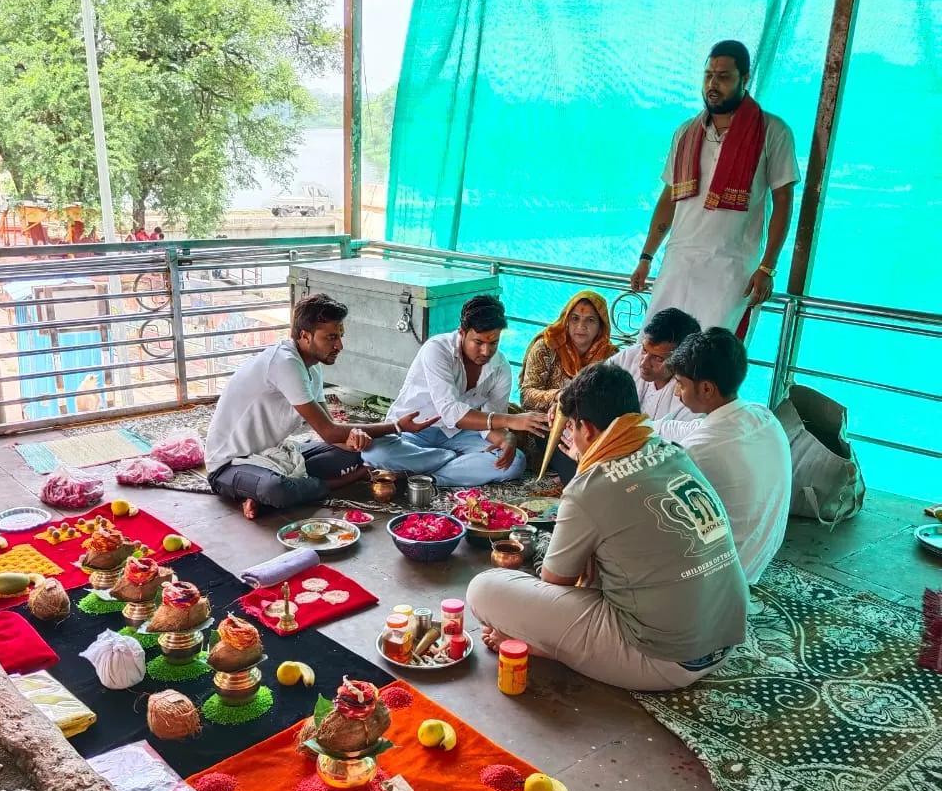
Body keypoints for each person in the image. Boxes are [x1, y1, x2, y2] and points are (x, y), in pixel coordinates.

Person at [467, 361, 748, 691]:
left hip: (664, 661)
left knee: (484, 589)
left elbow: (557, 582)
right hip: (723, 639)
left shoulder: (590, 488)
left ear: (585, 428)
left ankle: (550, 650)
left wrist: (586, 478)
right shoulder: (673, 453)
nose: (571, 436)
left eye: (571, 429)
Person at [205, 293, 437, 518]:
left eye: (340, 335)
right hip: (228, 466)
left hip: (272, 455)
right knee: (275, 490)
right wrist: (396, 426)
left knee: (361, 452)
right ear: (305, 336)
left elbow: (330, 434)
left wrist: (357, 440)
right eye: (331, 338)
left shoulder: (312, 367)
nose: (340, 346)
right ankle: (335, 482)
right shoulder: (285, 363)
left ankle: (276, 492)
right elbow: (329, 431)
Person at [631, 40, 800, 338]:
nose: (712, 84)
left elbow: (783, 202)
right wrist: (646, 258)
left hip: (732, 268)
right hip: (679, 261)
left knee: (710, 359)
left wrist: (767, 268)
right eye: (708, 75)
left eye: (723, 76)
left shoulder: (772, 131)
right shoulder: (686, 132)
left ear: (745, 79)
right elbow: (669, 198)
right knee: (655, 347)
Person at [366, 296, 548, 487]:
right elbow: (451, 412)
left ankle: (429, 477)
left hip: (460, 435)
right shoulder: (437, 349)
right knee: (374, 451)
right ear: (462, 332)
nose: (486, 351)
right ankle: (448, 459)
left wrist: (506, 437)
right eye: (478, 342)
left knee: (515, 462)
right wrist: (510, 420)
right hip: (414, 432)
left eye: (493, 342)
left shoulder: (501, 368)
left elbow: (489, 423)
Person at [656, 328, 791, 585]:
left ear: (706, 389)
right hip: (755, 563)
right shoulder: (762, 416)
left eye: (680, 385)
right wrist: (637, 426)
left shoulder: (698, 452)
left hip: (717, 578)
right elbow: (687, 429)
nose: (676, 393)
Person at [519, 291, 617, 482]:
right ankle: (579, 479)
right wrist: (560, 396)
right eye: (575, 319)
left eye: (590, 320)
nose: (581, 327)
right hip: (545, 424)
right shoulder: (548, 345)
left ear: (601, 326)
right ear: (566, 319)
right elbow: (527, 395)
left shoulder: (610, 356)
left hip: (587, 426)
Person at [606, 307, 700, 423]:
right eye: (645, 350)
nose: (643, 363)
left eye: (658, 358)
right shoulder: (629, 356)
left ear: (682, 360)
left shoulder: (690, 393)